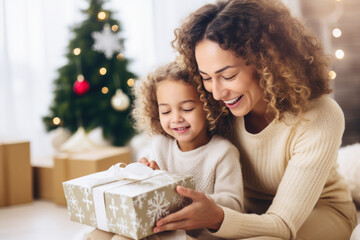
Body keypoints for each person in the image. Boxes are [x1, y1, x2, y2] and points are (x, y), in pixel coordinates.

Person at [151, 0, 358, 240]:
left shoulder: (319, 115)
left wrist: (217, 217)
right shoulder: (216, 106)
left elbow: (282, 224)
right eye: (206, 77)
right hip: (243, 213)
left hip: (318, 212)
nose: (216, 93)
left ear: (267, 61)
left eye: (228, 75)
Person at [86, 61, 244, 240]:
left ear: (209, 107)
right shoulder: (160, 144)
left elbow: (234, 206)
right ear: (155, 112)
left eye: (187, 109)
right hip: (160, 228)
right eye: (166, 112)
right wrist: (145, 177)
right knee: (101, 233)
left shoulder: (223, 152)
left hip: (196, 235)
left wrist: (184, 199)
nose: (176, 118)